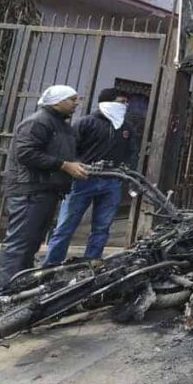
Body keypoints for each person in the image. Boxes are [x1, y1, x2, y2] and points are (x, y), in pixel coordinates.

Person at [0, 85, 88, 291]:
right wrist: (64, 165)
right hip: (30, 190)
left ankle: (21, 288)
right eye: (72, 99)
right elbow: (26, 154)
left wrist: (76, 164)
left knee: (32, 243)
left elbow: (63, 154)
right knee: (19, 244)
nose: (76, 103)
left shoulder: (63, 126)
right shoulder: (37, 122)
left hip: (48, 190)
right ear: (57, 101)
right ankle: (4, 293)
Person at [43, 88, 137, 266]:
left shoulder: (126, 127)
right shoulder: (87, 122)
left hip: (111, 182)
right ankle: (51, 266)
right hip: (83, 181)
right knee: (66, 226)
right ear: (107, 102)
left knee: (102, 227)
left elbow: (132, 152)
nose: (125, 106)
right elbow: (70, 149)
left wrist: (127, 170)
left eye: (127, 102)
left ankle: (90, 263)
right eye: (121, 101)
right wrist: (77, 166)